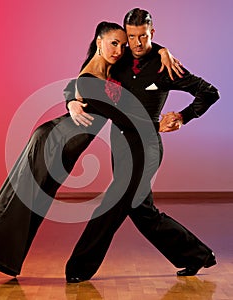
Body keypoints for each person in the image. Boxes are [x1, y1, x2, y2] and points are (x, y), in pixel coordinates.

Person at [0, 21, 179, 285]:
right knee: (16, 202)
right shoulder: (92, 78)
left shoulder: (109, 71)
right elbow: (119, 116)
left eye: (122, 45)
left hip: (65, 152)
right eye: (114, 43)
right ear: (99, 42)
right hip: (52, 142)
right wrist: (157, 125)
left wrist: (163, 51)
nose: (119, 49)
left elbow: (78, 85)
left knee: (29, 207)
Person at [64, 8, 220, 283]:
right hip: (120, 143)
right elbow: (87, 74)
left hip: (146, 144)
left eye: (143, 37)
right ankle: (196, 255)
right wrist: (71, 100)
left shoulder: (165, 66)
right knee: (141, 210)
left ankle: (78, 268)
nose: (136, 44)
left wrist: (183, 116)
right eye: (131, 37)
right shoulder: (118, 59)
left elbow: (209, 92)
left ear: (152, 34)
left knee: (113, 203)